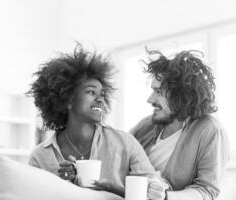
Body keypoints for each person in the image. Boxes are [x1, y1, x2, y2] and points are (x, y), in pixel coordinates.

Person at [27, 44, 168, 199]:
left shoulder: (124, 143)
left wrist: (116, 190)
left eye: (102, 94)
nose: (100, 99)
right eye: (91, 92)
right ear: (67, 98)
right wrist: (62, 187)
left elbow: (156, 191)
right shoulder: (40, 157)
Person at [130, 49, 230, 200]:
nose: (150, 100)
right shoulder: (146, 125)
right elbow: (120, 153)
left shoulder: (211, 130)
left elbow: (206, 190)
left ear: (182, 95)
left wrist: (165, 197)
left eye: (158, 91)